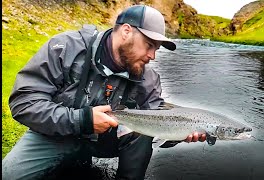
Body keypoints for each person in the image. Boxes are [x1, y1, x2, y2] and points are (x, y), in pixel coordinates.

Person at [3, 5, 207, 180]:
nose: (152, 56)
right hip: (55, 134)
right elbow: (24, 101)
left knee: (142, 130)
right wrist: (82, 119)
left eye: (157, 49)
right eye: (149, 45)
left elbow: (158, 124)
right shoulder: (66, 48)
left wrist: (180, 133)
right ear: (126, 31)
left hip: (106, 141)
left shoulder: (149, 78)